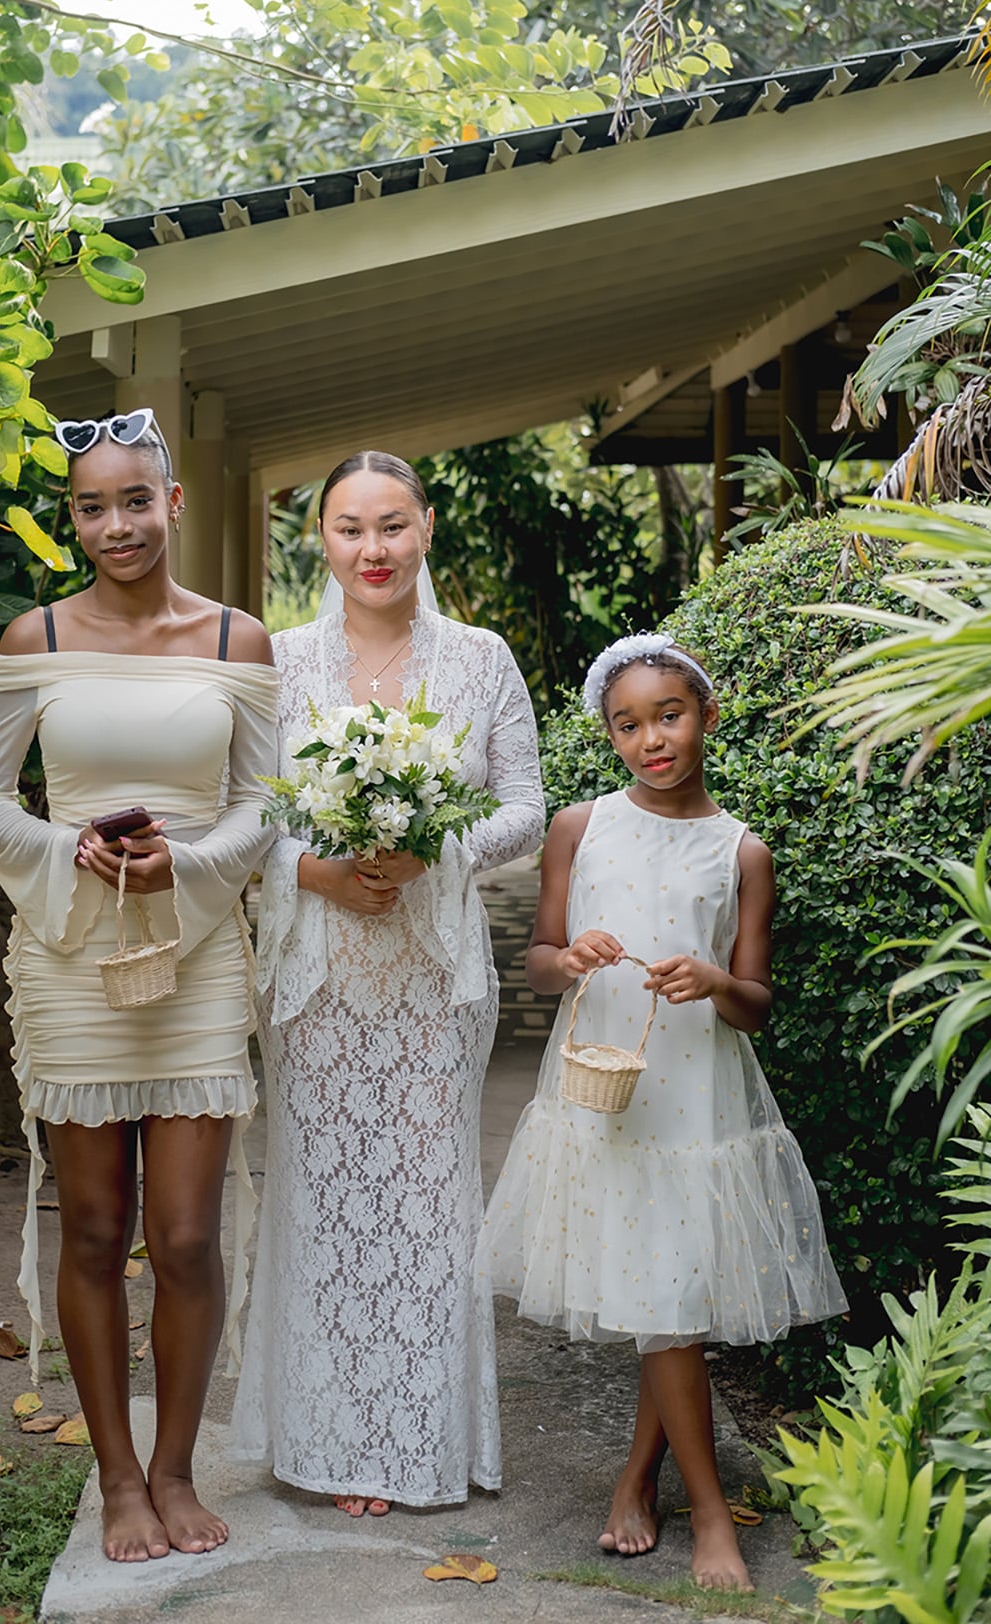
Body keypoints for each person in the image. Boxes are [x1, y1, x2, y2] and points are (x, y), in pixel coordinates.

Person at [0, 408, 278, 1564]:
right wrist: (71, 848)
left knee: (186, 1237)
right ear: (74, 518)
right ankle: (116, 1481)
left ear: (172, 503)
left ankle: (176, 1468)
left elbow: (263, 803)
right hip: (73, 955)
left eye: (135, 500)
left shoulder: (238, 640)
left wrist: (181, 863)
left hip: (197, 955)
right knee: (95, 1227)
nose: (116, 526)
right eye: (91, 507)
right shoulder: (34, 635)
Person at [477, 633, 846, 1591]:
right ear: (610, 736)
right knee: (665, 1302)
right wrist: (572, 957)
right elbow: (540, 961)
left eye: (669, 717)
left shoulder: (741, 850)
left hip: (698, 1101)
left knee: (668, 1300)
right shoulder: (579, 826)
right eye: (628, 725)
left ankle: (661, 1489)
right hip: (605, 1091)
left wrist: (716, 978)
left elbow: (755, 1005)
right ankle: (689, 1501)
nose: (651, 740)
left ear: (707, 717)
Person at [230, 450, 544, 1514]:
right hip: (317, 981)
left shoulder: (482, 659)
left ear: (427, 529)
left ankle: (413, 1438)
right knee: (324, 1198)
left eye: (393, 525)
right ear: (320, 538)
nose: (374, 549)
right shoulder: (277, 661)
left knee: (424, 1200)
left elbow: (525, 807)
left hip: (432, 976)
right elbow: (244, 813)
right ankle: (330, 1439)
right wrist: (313, 870)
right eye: (351, 528)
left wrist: (433, 848)